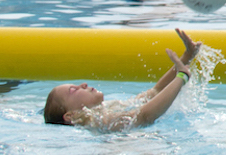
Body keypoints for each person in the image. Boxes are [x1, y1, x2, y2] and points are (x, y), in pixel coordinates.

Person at [43, 29, 200, 130]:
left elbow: (155, 92)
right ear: (70, 116)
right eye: (73, 90)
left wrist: (187, 56)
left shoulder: (109, 108)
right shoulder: (96, 121)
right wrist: (181, 77)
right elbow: (144, 116)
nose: (83, 84)